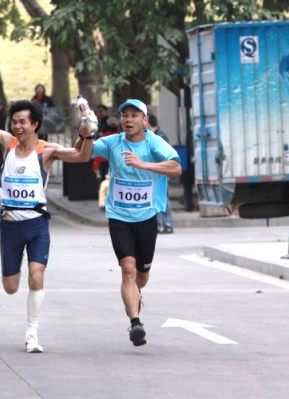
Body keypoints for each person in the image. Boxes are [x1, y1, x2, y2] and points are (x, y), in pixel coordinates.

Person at [0, 76, 95, 353]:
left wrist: (87, 133)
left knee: (36, 275)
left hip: (37, 225)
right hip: (10, 227)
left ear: (34, 124)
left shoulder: (47, 151)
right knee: (11, 287)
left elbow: (82, 156)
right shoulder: (8, 144)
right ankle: (20, 305)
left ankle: (32, 334)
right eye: (14, 121)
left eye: (22, 122)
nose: (17, 126)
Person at [85, 99, 181, 347]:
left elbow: (176, 167)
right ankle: (136, 323)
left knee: (141, 275)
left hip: (147, 217)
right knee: (127, 268)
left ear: (145, 120)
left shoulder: (154, 143)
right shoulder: (113, 142)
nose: (128, 119)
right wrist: (84, 134)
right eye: (124, 115)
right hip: (119, 216)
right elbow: (83, 152)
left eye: (134, 115)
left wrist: (142, 163)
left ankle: (136, 293)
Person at [147, 115, 174, 234]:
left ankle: (167, 225)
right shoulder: (153, 135)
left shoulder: (159, 136)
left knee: (163, 198)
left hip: (160, 171)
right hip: (155, 171)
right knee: (155, 198)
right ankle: (158, 225)